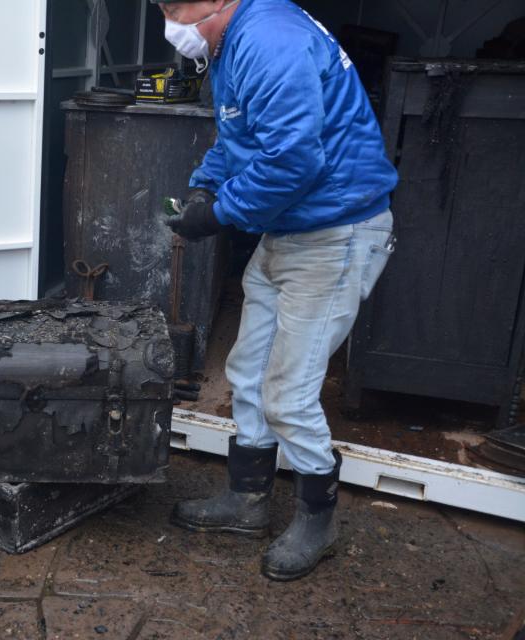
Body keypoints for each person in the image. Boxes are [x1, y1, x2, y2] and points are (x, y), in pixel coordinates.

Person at [155, 0, 398, 581]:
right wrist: (203, 189)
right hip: (290, 229)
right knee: (248, 370)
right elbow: (240, 139)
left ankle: (318, 518)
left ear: (218, 1)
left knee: (288, 392)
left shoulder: (269, 39)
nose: (173, 28)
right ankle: (246, 500)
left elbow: (293, 158)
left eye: (179, 11)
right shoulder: (233, 43)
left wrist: (222, 213)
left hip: (335, 232)